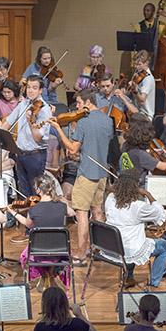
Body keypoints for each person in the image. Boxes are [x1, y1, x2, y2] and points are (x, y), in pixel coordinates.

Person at [48, 90, 110, 263]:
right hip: (102, 172)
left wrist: (59, 129)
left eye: (79, 102)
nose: (77, 106)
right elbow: (97, 145)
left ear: (88, 102)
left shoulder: (83, 122)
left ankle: (81, 255)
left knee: (81, 213)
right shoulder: (107, 119)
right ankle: (99, 249)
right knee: (97, 211)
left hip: (87, 173)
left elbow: (72, 148)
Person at [104, 169, 166, 290]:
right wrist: (147, 194)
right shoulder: (139, 207)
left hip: (113, 246)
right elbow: (159, 213)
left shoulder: (110, 199)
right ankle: (153, 284)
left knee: (131, 240)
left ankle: (128, 277)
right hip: (130, 247)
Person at [9, 175, 75, 288]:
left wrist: (13, 212)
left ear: (39, 190)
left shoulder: (33, 209)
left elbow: (27, 223)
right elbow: (72, 213)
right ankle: (49, 274)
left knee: (25, 254)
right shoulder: (62, 206)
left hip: (38, 253)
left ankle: (45, 275)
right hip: (60, 251)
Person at [4, 75, 55, 199]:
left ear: (40, 90)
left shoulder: (44, 110)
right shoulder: (23, 104)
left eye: (34, 88)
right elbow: (8, 122)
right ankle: (26, 218)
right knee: (23, 193)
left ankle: (36, 218)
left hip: (35, 156)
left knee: (35, 192)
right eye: (29, 87)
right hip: (21, 154)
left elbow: (38, 138)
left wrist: (30, 122)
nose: (30, 91)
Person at [128, 50, 157, 117]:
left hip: (145, 115)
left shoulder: (148, 78)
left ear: (146, 63)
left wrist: (136, 91)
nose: (136, 67)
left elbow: (141, 101)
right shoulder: (138, 75)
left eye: (139, 64)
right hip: (136, 112)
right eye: (135, 64)